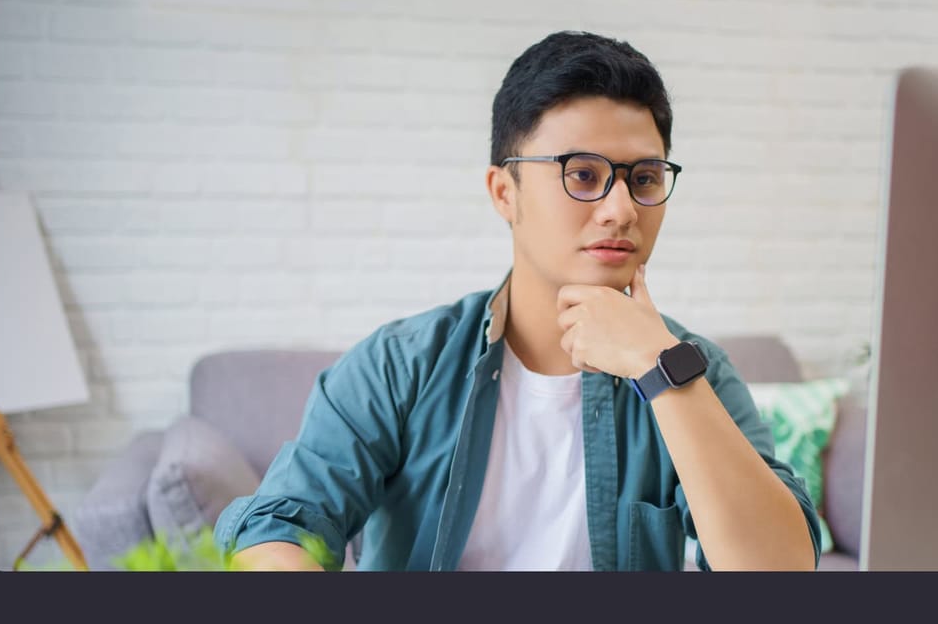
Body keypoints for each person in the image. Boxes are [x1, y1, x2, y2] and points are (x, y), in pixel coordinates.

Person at [213, 30, 822, 571]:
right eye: (582, 174)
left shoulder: (694, 371)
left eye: (644, 178)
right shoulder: (401, 366)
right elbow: (281, 525)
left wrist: (659, 368)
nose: (621, 209)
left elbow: (781, 571)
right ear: (505, 192)